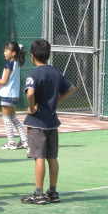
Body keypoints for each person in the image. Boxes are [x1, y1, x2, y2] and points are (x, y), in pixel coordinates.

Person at [20, 39, 76, 204]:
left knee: (39, 157)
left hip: (37, 122)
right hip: (52, 122)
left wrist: (31, 109)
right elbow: (72, 88)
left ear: (32, 56)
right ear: (48, 55)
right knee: (52, 157)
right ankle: (53, 191)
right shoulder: (55, 72)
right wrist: (57, 100)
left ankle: (38, 193)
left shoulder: (34, 74)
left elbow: (30, 94)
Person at [0, 41, 28, 150]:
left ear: (13, 53)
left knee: (7, 118)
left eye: (6, 50)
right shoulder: (17, 64)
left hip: (7, 95)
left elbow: (3, 82)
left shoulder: (9, 65)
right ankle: (24, 140)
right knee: (13, 118)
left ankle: (11, 142)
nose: (4, 53)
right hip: (14, 95)